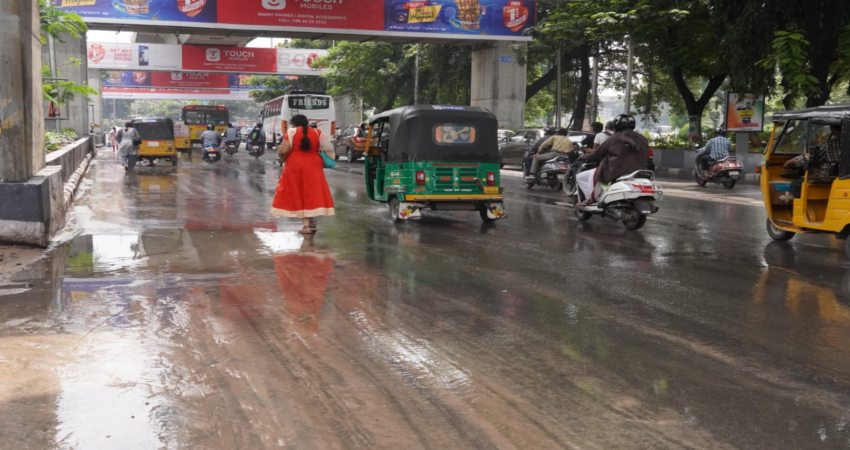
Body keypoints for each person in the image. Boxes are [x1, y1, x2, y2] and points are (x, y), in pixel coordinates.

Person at [271, 114, 335, 234]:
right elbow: (329, 147)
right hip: (314, 166)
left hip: (294, 166)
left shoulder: (291, 132)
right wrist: (330, 158)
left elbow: (284, 150)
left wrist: (281, 156)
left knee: (298, 192)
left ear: (294, 124)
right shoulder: (317, 132)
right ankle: (312, 222)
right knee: (312, 192)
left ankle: (306, 226)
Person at [577, 114, 649, 204]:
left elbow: (598, 153)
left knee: (582, 176)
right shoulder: (643, 139)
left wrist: (586, 156)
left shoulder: (615, 138)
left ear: (616, 125)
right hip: (639, 171)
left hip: (615, 171)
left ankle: (589, 199)